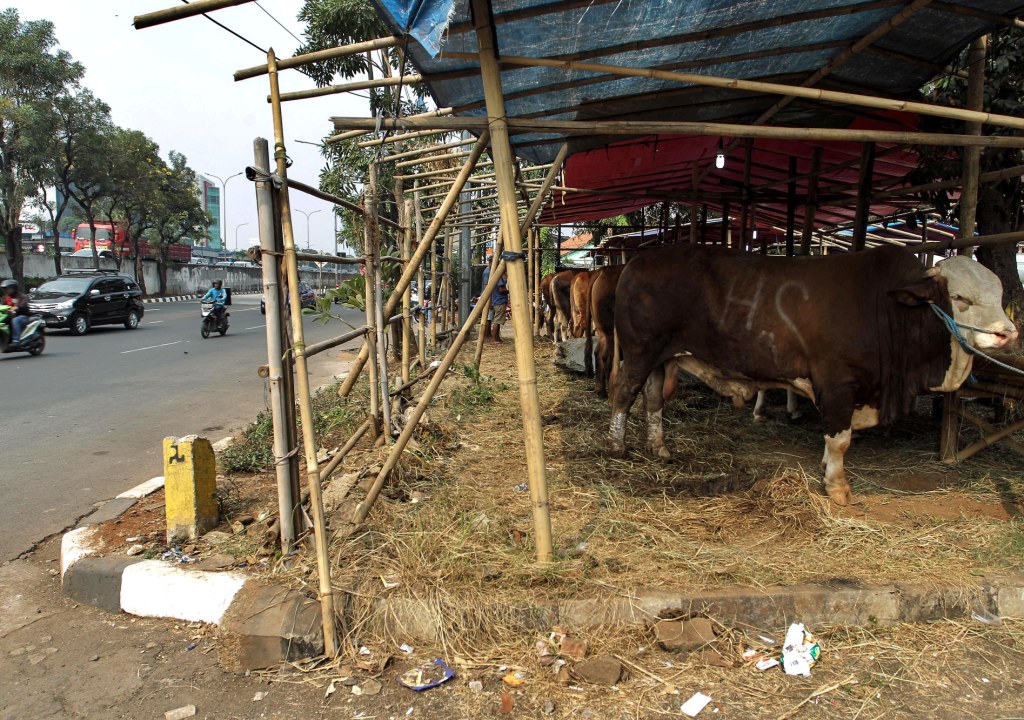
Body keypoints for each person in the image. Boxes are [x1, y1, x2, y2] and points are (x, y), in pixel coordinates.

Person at [482, 265, 509, 343]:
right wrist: (508, 291)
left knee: (494, 319)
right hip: (499, 300)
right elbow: (501, 289)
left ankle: (495, 337)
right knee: (497, 320)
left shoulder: (492, 274)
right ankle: (494, 339)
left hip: (495, 300)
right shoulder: (498, 276)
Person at [1, 279, 30, 343]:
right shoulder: (6, 297)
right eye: (5, 289)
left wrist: (18, 308)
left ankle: (16, 339)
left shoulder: (22, 297)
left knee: (15, 320)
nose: (6, 290)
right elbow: (2, 305)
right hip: (10, 315)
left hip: (22, 316)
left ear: (14, 288)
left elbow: (24, 305)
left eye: (8, 288)